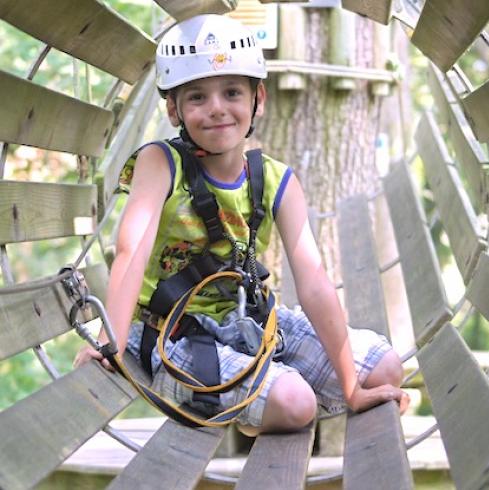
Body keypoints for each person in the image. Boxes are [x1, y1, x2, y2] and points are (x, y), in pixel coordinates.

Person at [74, 14, 408, 434]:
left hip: (246, 317)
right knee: (295, 404)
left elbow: (314, 281)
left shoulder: (274, 179)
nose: (216, 108)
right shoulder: (160, 163)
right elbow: (132, 250)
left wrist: (351, 386)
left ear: (258, 99)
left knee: (384, 368)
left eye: (232, 92)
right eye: (197, 97)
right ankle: (258, 401)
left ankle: (258, 390)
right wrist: (113, 346)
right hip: (172, 332)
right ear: (174, 109)